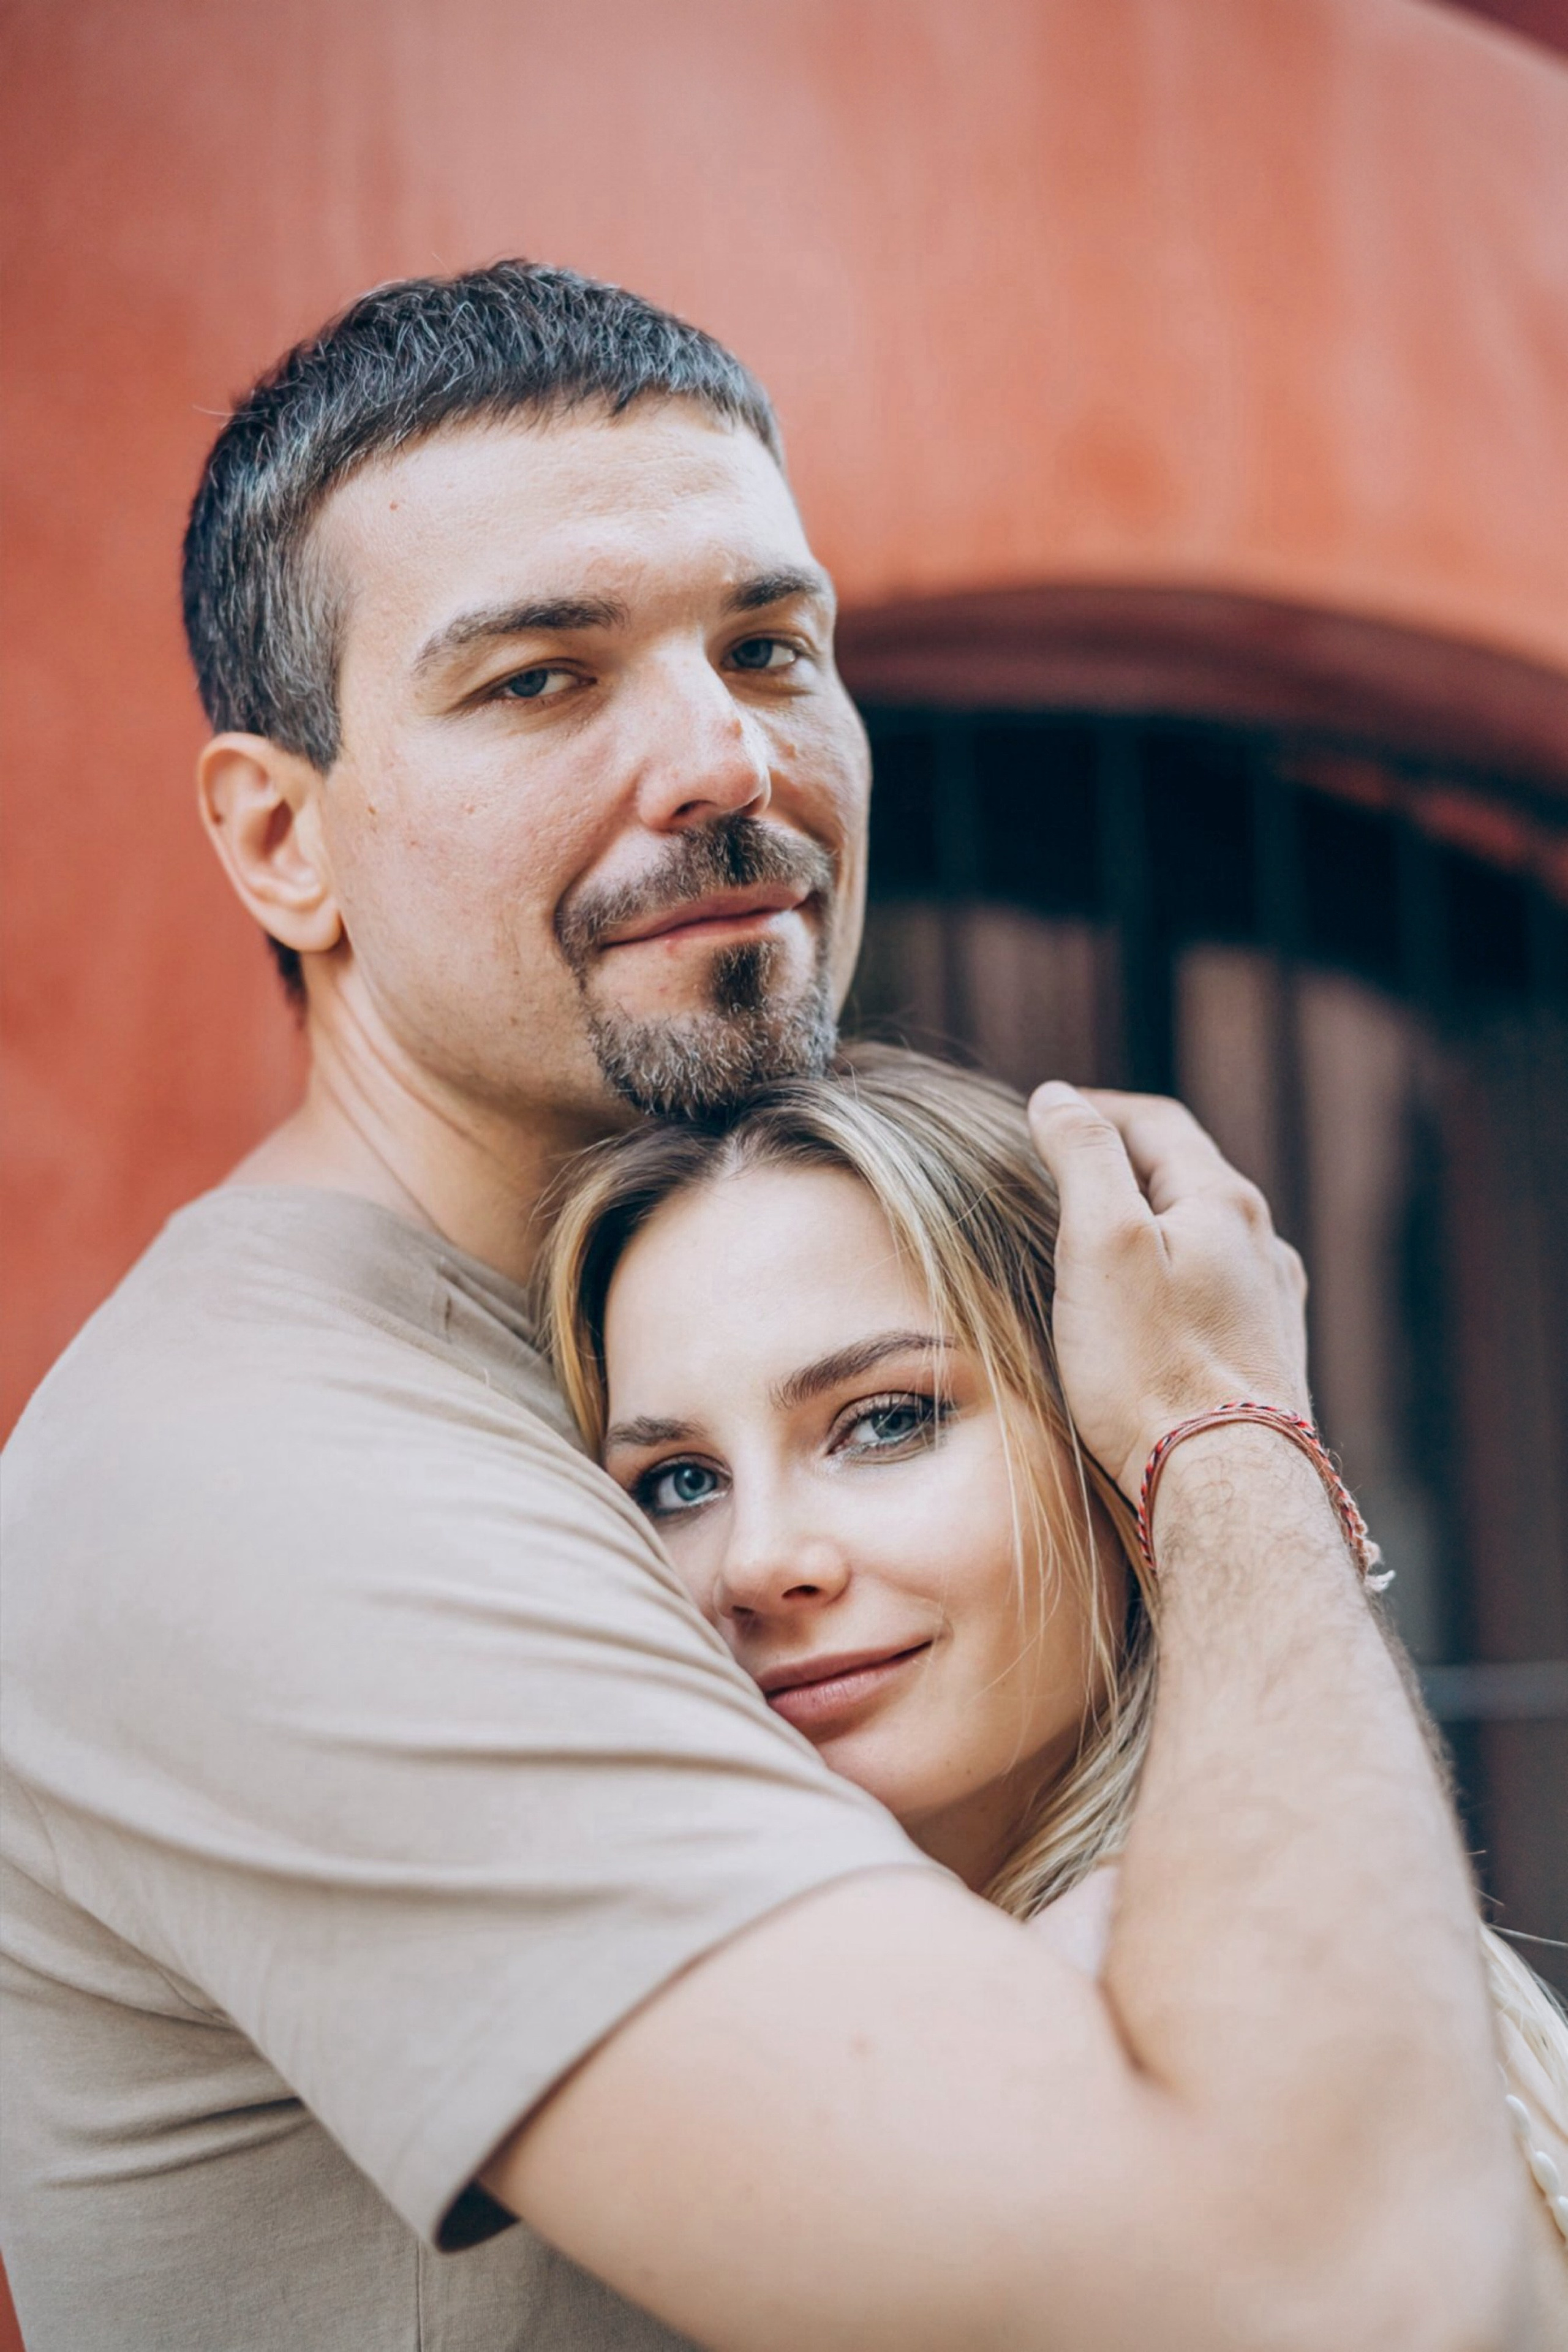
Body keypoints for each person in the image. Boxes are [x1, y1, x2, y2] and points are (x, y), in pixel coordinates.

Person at [0, 258, 1548, 2352]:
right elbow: (1321, 2297)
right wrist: (1229, 1441)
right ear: (284, 840)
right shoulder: (260, 1487)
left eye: (768, 644)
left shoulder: (561, 1336)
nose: (723, 759)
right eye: (542, 680)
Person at [542, 1044, 1568, 2293]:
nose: (759, 1563)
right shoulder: (788, 2015)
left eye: (883, 1420)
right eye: (679, 1482)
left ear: (1103, 1436)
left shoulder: (1124, 1999)